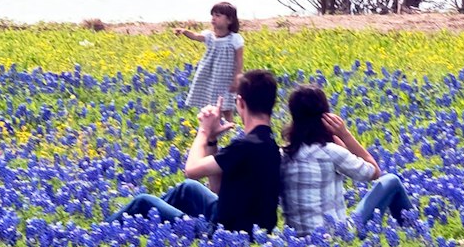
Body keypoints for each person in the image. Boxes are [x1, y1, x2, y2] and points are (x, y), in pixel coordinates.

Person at [121, 67, 282, 232]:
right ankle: (148, 229)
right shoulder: (269, 144)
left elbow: (191, 169)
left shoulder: (245, 146)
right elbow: (218, 190)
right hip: (240, 223)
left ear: (240, 102)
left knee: (143, 202)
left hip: (223, 233)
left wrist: (204, 131)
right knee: (188, 188)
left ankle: (104, 237)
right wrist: (212, 140)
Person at [278, 84, 414, 233]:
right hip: (338, 235)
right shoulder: (330, 152)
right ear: (326, 116)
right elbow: (374, 172)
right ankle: (414, 231)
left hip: (295, 239)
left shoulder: (282, 154)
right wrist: (345, 134)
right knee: (391, 181)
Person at [182, 2, 244, 115]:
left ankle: (229, 130)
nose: (214, 18)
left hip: (226, 78)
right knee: (209, 106)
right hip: (210, 76)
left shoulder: (235, 38)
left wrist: (237, 78)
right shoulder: (209, 36)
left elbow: (239, 59)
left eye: (218, 16)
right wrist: (185, 32)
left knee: (226, 108)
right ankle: (209, 127)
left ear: (229, 20)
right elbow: (196, 36)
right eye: (213, 15)